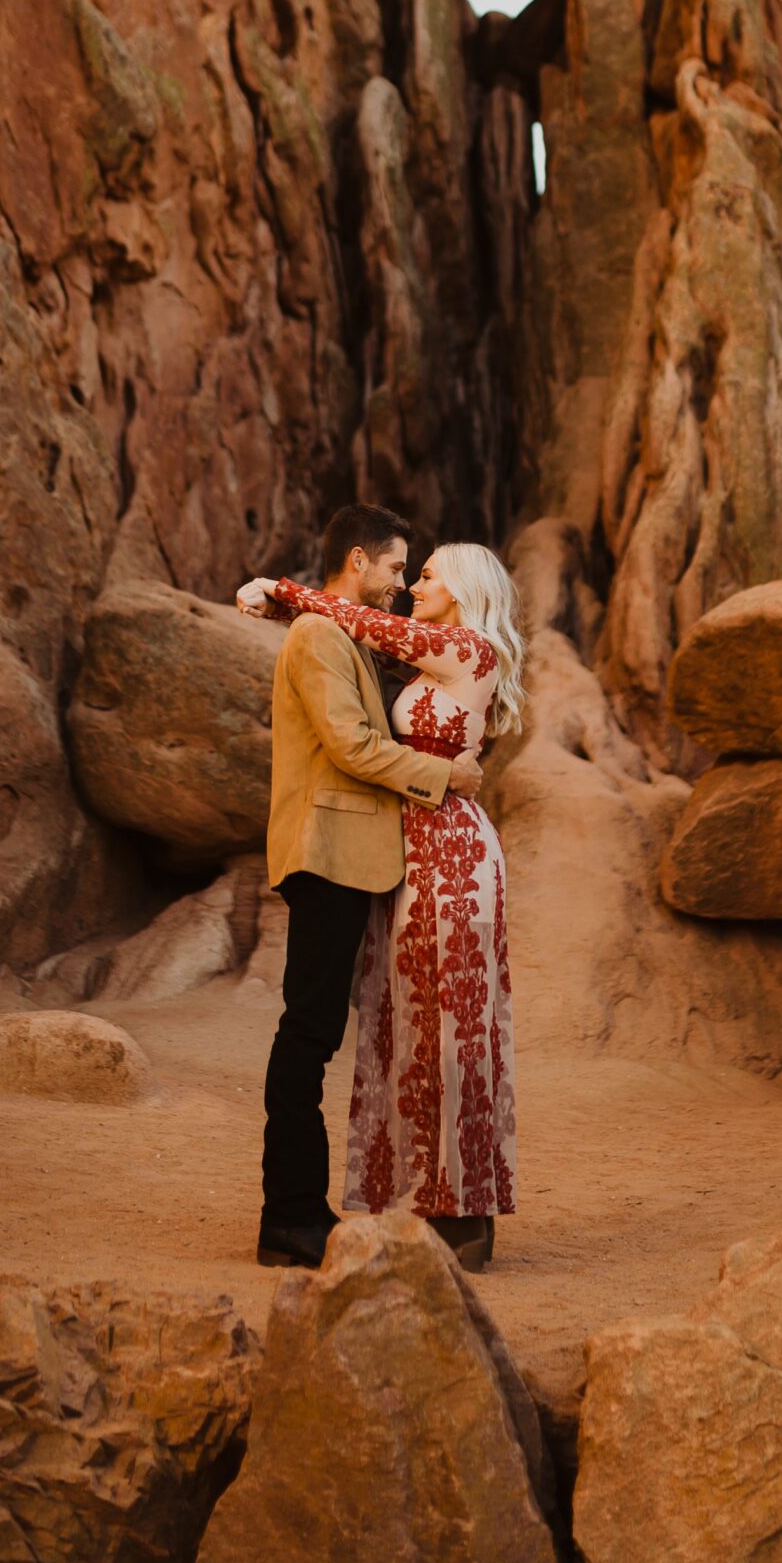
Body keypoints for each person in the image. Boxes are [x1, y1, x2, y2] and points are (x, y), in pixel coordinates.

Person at [240, 536, 523, 1276]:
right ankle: (418, 1200)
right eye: (404, 569)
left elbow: (360, 627)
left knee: (454, 1030)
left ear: (461, 587)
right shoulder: (424, 654)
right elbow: (340, 645)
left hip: (452, 857)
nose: (409, 585)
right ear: (361, 557)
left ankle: (466, 1213)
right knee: (410, 1031)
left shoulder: (467, 648)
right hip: (405, 854)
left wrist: (278, 586)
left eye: (424, 574)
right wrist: (287, 612)